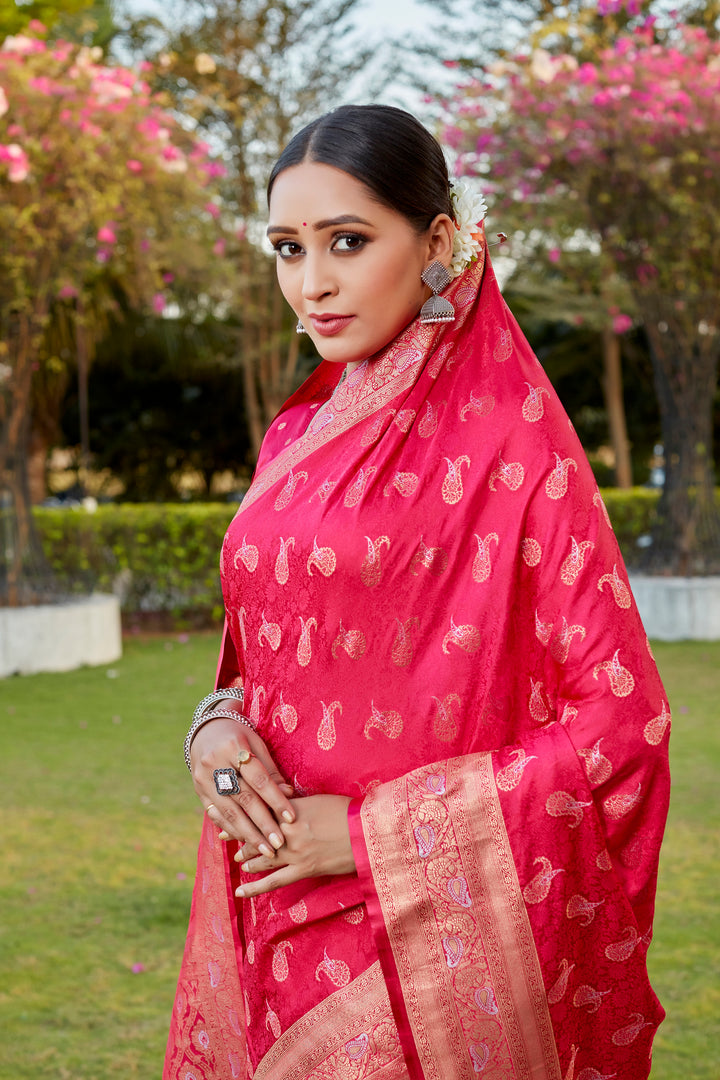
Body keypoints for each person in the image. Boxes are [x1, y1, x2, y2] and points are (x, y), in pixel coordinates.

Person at [164, 105, 670, 1080]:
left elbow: (623, 723)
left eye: (347, 242)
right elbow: (264, 657)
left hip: (429, 941)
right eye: (287, 248)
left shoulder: (514, 450)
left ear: (438, 239)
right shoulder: (300, 436)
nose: (311, 284)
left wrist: (371, 836)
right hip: (272, 903)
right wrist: (214, 731)